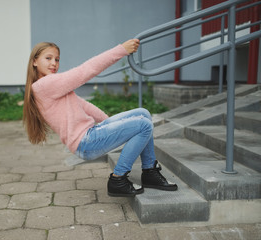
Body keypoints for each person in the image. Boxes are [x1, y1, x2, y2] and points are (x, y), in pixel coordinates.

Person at [23, 39, 177, 197]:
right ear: (34, 61)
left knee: (143, 113)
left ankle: (150, 172)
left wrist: (111, 125)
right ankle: (118, 179)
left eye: (57, 59)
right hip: (85, 142)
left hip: (91, 135)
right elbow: (85, 70)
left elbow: (84, 105)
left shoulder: (48, 85)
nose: (54, 63)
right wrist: (121, 50)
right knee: (143, 125)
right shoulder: (44, 85)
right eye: (48, 58)